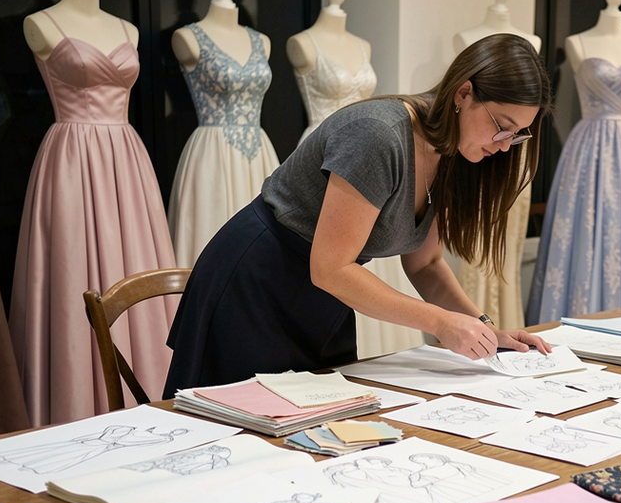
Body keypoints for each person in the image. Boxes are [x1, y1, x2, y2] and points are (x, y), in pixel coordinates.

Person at [164, 33, 552, 397]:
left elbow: (426, 264)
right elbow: (331, 268)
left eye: (518, 135)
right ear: (464, 93)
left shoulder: (453, 152)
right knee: (235, 430)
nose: (505, 146)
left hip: (322, 298)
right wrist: (438, 322)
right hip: (256, 282)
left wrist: (486, 330)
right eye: (502, 127)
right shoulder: (379, 135)